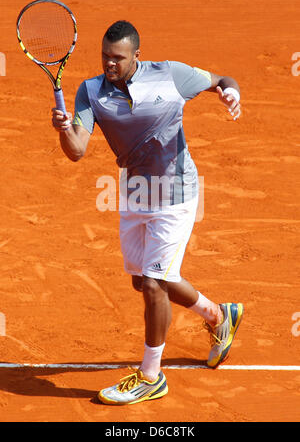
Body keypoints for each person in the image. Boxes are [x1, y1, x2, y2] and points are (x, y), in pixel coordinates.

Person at [52, 20, 244, 406]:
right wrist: (61, 127)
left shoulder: (170, 75)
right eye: (105, 56)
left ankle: (151, 377)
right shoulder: (90, 92)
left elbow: (222, 78)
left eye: (118, 58)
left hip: (176, 194)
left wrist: (230, 93)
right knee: (145, 282)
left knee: (156, 284)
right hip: (135, 194)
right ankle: (219, 316)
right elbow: (76, 150)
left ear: (136, 56)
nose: (109, 64)